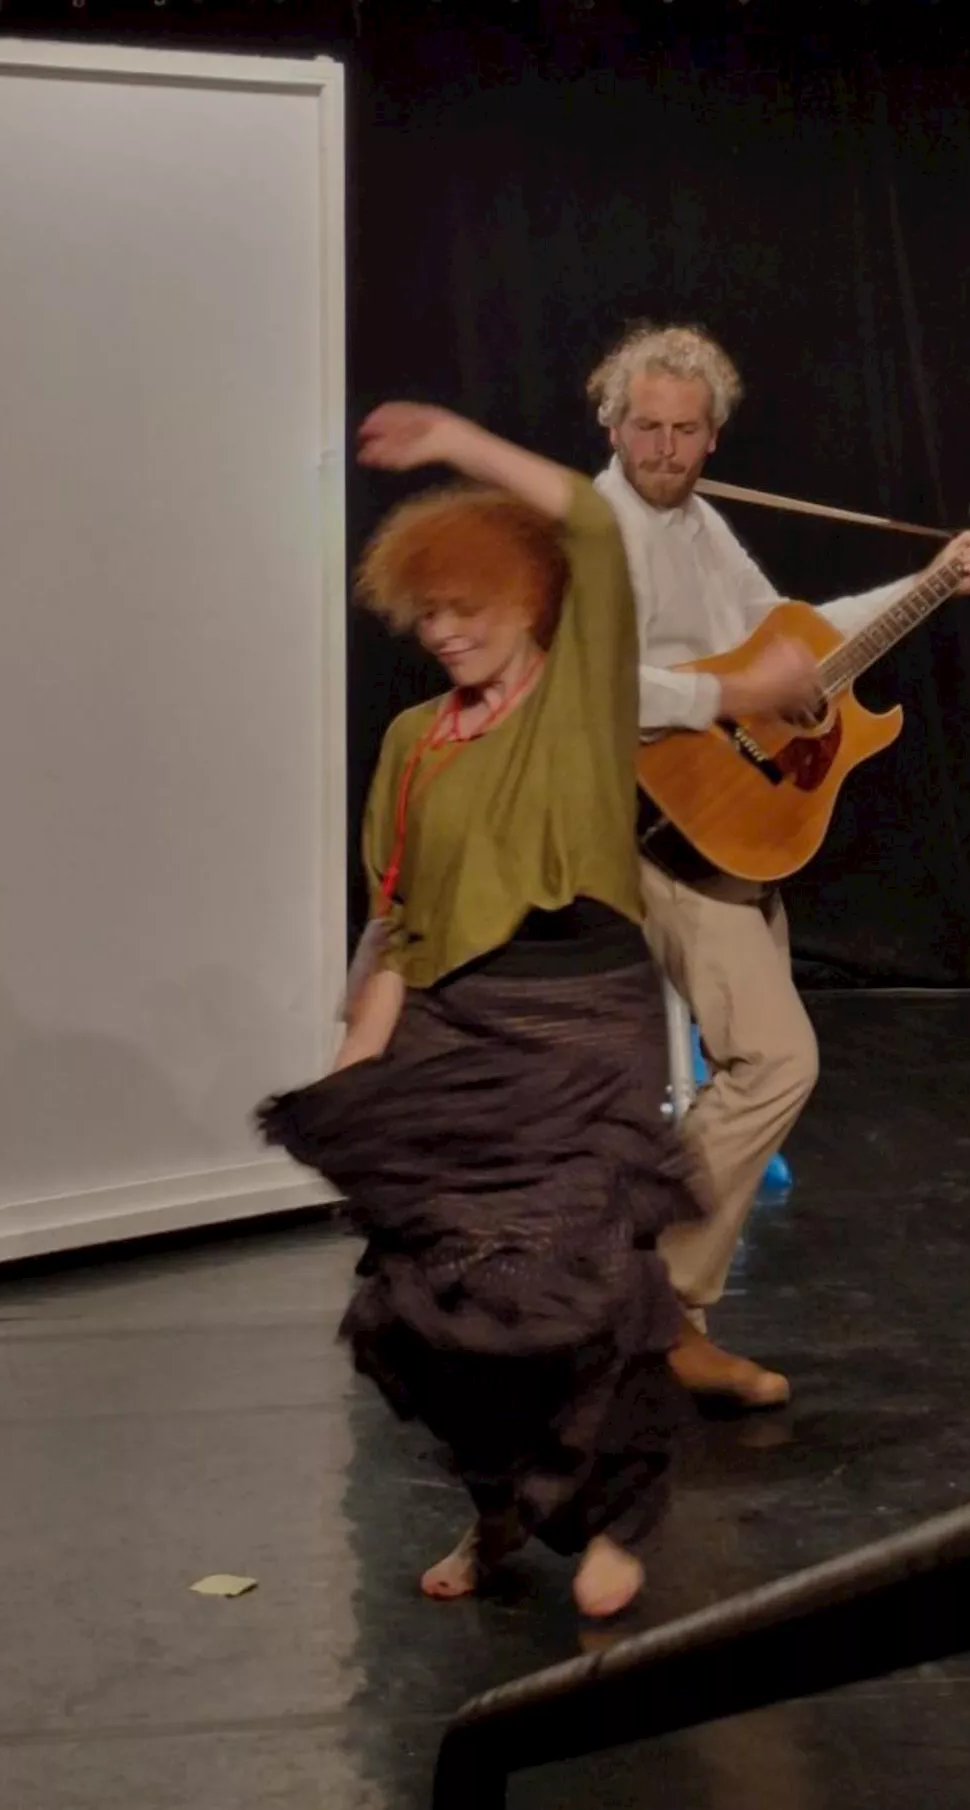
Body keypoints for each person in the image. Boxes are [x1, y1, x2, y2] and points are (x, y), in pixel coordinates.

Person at [257, 400, 707, 1618]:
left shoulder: (579, 698)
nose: (447, 632)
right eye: (431, 616)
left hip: (580, 1029)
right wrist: (355, 1066)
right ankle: (499, 1502)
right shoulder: (414, 739)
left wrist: (454, 440)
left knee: (580, 1285)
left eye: (470, 608)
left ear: (528, 604)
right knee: (429, 1306)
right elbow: (400, 918)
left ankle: (608, 1510)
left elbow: (586, 524)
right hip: (455, 1032)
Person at [588, 321, 970, 1407]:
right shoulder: (591, 531)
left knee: (762, 1064)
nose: (663, 449)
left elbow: (800, 638)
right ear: (609, 421)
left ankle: (663, 1308)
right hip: (641, 818)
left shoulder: (702, 527)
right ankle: (655, 1300)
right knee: (776, 1063)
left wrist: (928, 582)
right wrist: (725, 699)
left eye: (684, 431)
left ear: (712, 438)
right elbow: (586, 683)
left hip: (726, 825)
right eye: (645, 427)